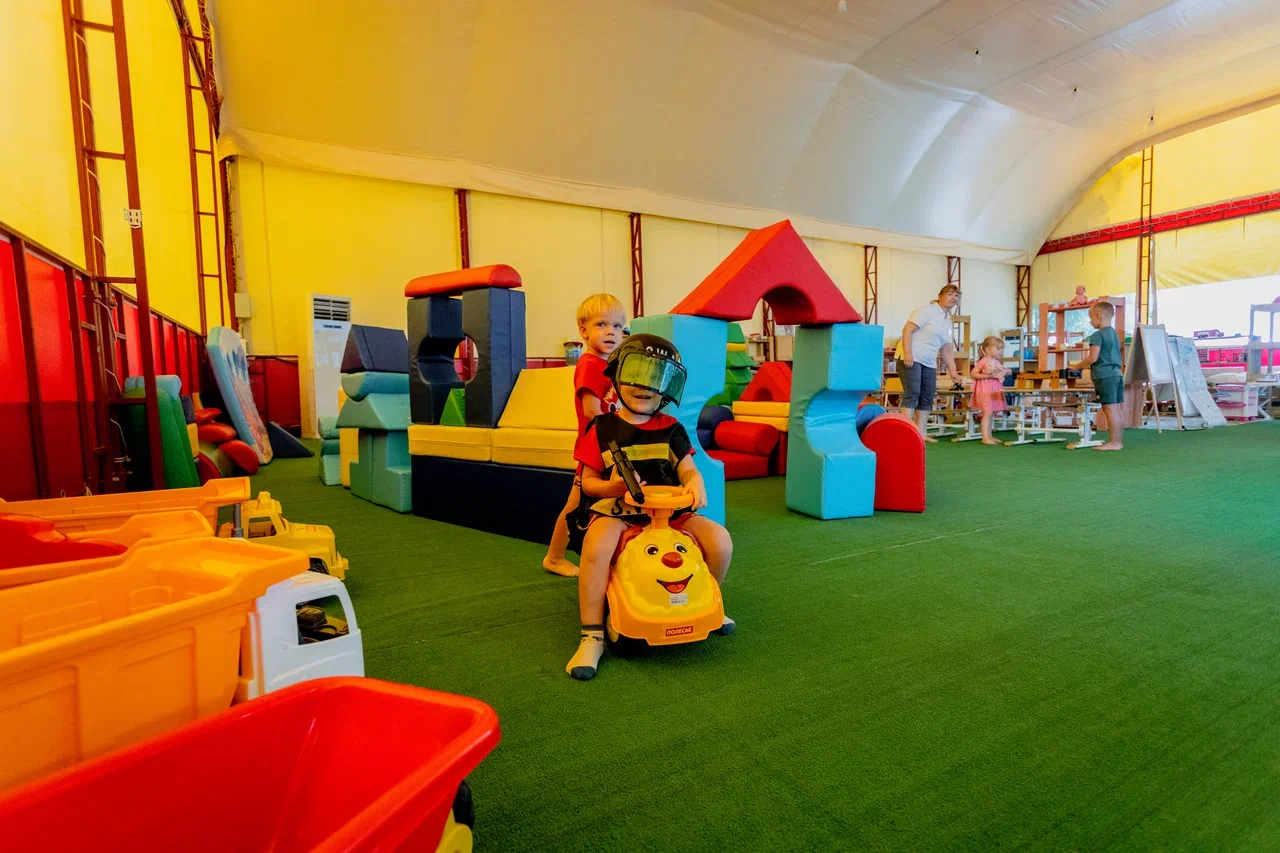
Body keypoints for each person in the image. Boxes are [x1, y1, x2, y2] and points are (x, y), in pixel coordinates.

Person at [565, 334, 734, 681]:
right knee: (596, 548)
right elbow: (589, 483)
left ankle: (708, 601)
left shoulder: (672, 429)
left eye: (655, 378)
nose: (644, 386)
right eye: (636, 374)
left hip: (671, 513)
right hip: (618, 510)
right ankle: (592, 633)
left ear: (667, 387)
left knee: (720, 540)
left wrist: (695, 483)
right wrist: (613, 487)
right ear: (617, 375)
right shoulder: (602, 428)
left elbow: (688, 471)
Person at [542, 294, 626, 576]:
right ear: (584, 330)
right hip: (594, 449)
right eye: (602, 324)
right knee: (575, 505)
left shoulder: (610, 365)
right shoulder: (590, 364)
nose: (611, 332)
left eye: (617, 326)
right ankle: (554, 557)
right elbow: (592, 411)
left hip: (608, 446)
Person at [895, 284, 963, 442]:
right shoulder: (927, 310)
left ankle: (920, 434)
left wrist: (953, 370)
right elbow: (907, 330)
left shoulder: (948, 320)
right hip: (911, 357)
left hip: (929, 361)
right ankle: (906, 434)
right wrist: (908, 353)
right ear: (940, 296)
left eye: (957, 296)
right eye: (950, 294)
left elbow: (946, 348)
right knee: (912, 393)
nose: (953, 298)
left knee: (927, 395)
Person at [1070, 300, 1124, 451]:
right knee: (1117, 409)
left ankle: (1114, 442)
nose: (1090, 321)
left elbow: (1092, 358)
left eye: (1091, 317)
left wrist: (1076, 366)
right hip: (1117, 374)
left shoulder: (1097, 335)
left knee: (1109, 409)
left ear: (1099, 316)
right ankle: (1118, 441)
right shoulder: (1114, 334)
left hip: (1104, 375)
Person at [970, 336, 1009, 445]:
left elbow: (1000, 372)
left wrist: (1005, 371)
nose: (1000, 352)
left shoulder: (996, 362)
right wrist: (989, 375)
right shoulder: (983, 361)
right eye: (998, 349)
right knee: (987, 412)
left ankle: (989, 435)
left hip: (993, 390)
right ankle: (985, 437)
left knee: (991, 413)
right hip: (985, 390)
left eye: (1001, 349)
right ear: (987, 349)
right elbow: (973, 374)